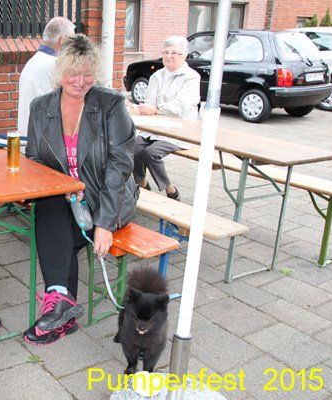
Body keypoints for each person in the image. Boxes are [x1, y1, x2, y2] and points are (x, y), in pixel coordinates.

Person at [24, 34, 138, 345]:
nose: (80, 81)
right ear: (60, 71)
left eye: (88, 73)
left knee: (55, 234)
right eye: (73, 72)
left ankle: (59, 305)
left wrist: (105, 224)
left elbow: (119, 167)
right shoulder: (41, 108)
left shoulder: (110, 104)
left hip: (108, 198)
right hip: (66, 198)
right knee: (49, 207)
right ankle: (62, 306)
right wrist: (63, 186)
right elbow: (35, 160)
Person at [132, 35, 201, 201]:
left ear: (184, 56)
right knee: (132, 147)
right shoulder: (157, 76)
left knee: (151, 153)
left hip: (180, 130)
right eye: (166, 52)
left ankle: (170, 189)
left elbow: (180, 105)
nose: (169, 56)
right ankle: (141, 183)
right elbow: (150, 103)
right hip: (156, 128)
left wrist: (156, 109)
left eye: (174, 53)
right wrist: (138, 108)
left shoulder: (191, 77)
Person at [17, 16, 75, 135]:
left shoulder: (32, 62)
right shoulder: (56, 65)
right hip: (45, 139)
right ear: (63, 40)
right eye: (72, 40)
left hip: (27, 136)